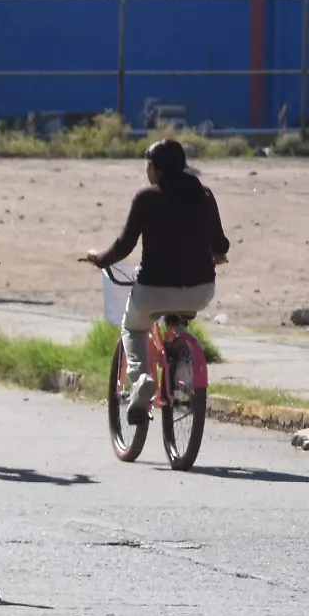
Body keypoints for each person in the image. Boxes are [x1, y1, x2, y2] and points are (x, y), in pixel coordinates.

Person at [81, 138, 229, 423]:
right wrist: (216, 254)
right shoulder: (205, 195)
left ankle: (141, 380)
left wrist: (98, 258)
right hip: (200, 291)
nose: (147, 171)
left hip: (153, 290)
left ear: (157, 169)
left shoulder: (147, 198)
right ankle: (183, 371)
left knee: (134, 328)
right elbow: (220, 245)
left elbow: (123, 247)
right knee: (178, 318)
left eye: (149, 165)